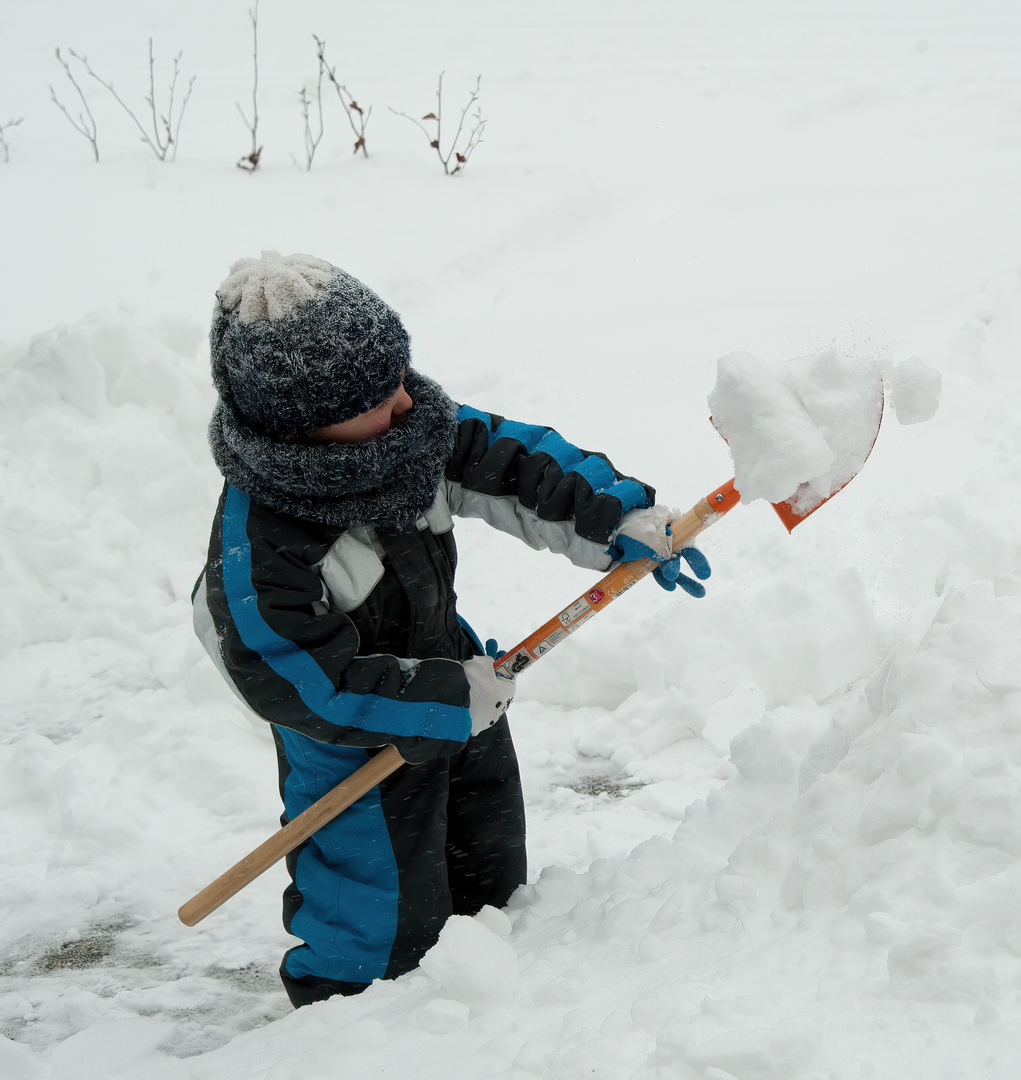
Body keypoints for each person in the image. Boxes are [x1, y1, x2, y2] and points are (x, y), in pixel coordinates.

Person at [190, 251, 708, 1008]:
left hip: (459, 687)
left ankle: (483, 1013)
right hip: (352, 743)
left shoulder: (410, 435)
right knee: (373, 912)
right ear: (308, 427)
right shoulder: (263, 547)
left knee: (489, 869)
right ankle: (342, 1038)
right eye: (377, 394)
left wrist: (615, 516)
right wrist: (438, 699)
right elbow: (295, 677)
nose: (405, 399)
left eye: (400, 373)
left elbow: (516, 465)